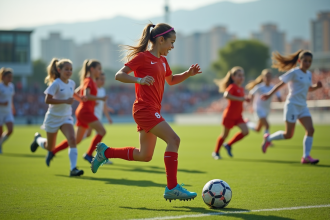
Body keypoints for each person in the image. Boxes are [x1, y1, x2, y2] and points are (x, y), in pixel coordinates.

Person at [91, 23, 202, 202]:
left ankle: (106, 152)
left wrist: (188, 73)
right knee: (174, 140)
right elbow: (119, 75)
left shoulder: (163, 61)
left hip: (151, 110)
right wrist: (139, 79)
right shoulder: (142, 57)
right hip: (144, 109)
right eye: (171, 42)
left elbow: (171, 80)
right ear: (160, 40)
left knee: (145, 155)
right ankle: (172, 187)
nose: (172, 47)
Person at [261, 50, 322, 164]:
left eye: (310, 61)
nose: (307, 63)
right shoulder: (294, 72)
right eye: (305, 61)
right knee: (288, 135)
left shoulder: (308, 74)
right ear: (299, 61)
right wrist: (269, 94)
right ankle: (268, 138)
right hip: (292, 105)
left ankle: (306, 157)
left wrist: (316, 87)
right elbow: (280, 84)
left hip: (303, 106)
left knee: (311, 130)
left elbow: (309, 88)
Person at [46, 59, 107, 166]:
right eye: (99, 69)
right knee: (102, 131)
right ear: (92, 69)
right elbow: (87, 95)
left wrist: (80, 97)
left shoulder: (89, 80)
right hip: (85, 112)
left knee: (76, 140)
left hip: (84, 111)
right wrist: (100, 98)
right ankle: (88, 154)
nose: (100, 71)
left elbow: (77, 92)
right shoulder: (89, 80)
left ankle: (53, 151)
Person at [30, 58, 84, 176]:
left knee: (72, 140)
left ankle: (73, 169)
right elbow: (47, 99)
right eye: (66, 69)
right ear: (59, 70)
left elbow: (72, 93)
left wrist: (80, 99)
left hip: (66, 117)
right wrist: (65, 100)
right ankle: (37, 139)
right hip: (53, 118)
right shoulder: (56, 84)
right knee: (50, 147)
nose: (69, 71)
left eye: (71, 69)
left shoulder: (72, 83)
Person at [212, 66, 250, 160]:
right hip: (229, 115)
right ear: (233, 77)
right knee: (224, 135)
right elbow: (226, 95)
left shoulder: (241, 88)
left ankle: (228, 144)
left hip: (238, 116)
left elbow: (240, 100)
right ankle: (216, 152)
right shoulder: (232, 86)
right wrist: (240, 99)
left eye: (243, 75)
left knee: (245, 132)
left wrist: (246, 99)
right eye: (239, 75)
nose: (242, 77)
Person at [83, 73, 114, 164]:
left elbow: (103, 105)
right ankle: (97, 157)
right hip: (92, 116)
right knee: (99, 134)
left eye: (104, 79)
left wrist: (108, 117)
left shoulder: (102, 90)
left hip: (97, 117)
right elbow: (87, 99)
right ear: (95, 80)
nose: (103, 81)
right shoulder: (93, 90)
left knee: (89, 135)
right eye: (101, 79)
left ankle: (91, 154)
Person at [245, 69, 282, 139]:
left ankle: (247, 123)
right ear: (263, 77)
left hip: (266, 109)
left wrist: (279, 98)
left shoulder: (273, 87)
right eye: (266, 76)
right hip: (258, 108)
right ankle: (267, 140)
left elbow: (279, 98)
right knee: (267, 125)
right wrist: (249, 99)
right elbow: (251, 94)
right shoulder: (259, 87)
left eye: (269, 77)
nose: (268, 78)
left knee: (258, 129)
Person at [0, 68, 15, 154]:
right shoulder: (0, 86)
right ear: (3, 77)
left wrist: (13, 107)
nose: (10, 79)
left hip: (8, 111)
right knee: (0, 132)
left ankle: (0, 144)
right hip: (0, 112)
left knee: (10, 130)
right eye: (9, 77)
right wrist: (2, 103)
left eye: (11, 77)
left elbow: (11, 98)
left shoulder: (11, 86)